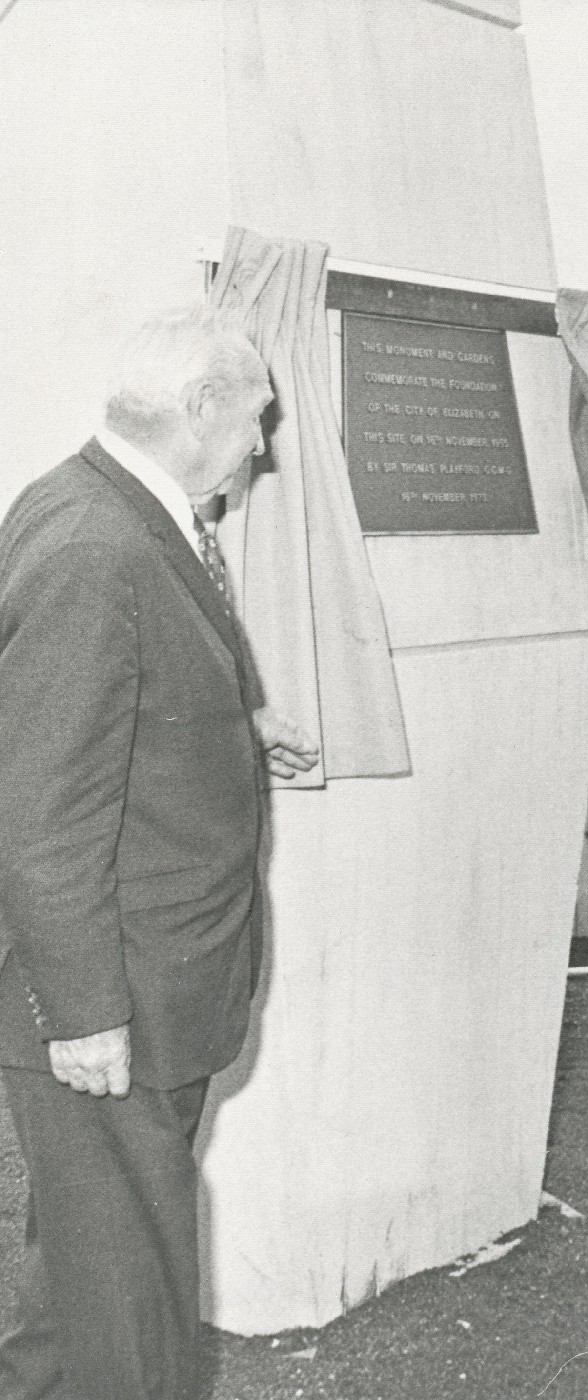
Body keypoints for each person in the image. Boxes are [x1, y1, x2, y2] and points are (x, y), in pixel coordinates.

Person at [0, 305, 319, 1399]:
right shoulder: (97, 544)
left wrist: (236, 723)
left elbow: (110, 713)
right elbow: (39, 804)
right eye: (255, 416)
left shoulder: (116, 508)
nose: (261, 443)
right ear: (197, 408)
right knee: (132, 1288)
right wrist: (85, 1010)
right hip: (114, 996)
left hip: (150, 980)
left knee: (85, 1274)